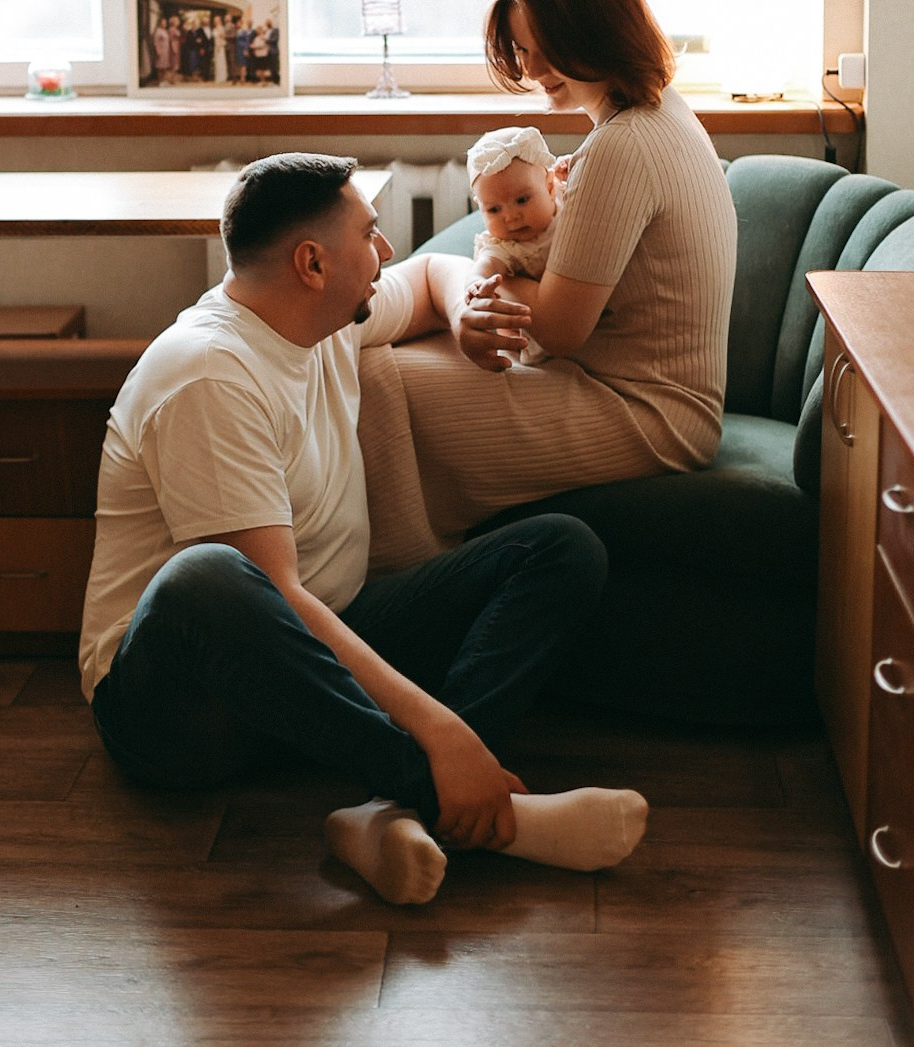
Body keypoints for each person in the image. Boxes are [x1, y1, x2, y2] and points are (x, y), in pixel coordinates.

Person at [79, 153, 648, 906]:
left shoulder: (322, 316)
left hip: (321, 653)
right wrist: (442, 732)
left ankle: (388, 815)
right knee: (206, 574)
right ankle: (483, 811)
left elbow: (427, 275)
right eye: (370, 234)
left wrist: (465, 312)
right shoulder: (209, 373)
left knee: (559, 546)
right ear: (312, 262)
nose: (384, 252)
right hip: (181, 709)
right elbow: (275, 598)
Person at [385, 0, 739, 535]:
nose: (528, 69)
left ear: (597, 36)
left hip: (649, 413)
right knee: (406, 348)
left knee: (381, 378)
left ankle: (407, 570)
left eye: (544, 50)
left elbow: (557, 329)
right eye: (522, 50)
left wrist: (477, 277)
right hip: (638, 388)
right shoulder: (661, 112)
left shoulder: (621, 147)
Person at [465, 125, 566, 366]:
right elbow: (487, 264)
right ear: (479, 207)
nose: (510, 217)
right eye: (494, 209)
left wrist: (571, 164)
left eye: (521, 200)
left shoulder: (567, 199)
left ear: (550, 187)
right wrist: (475, 284)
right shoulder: (505, 246)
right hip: (539, 335)